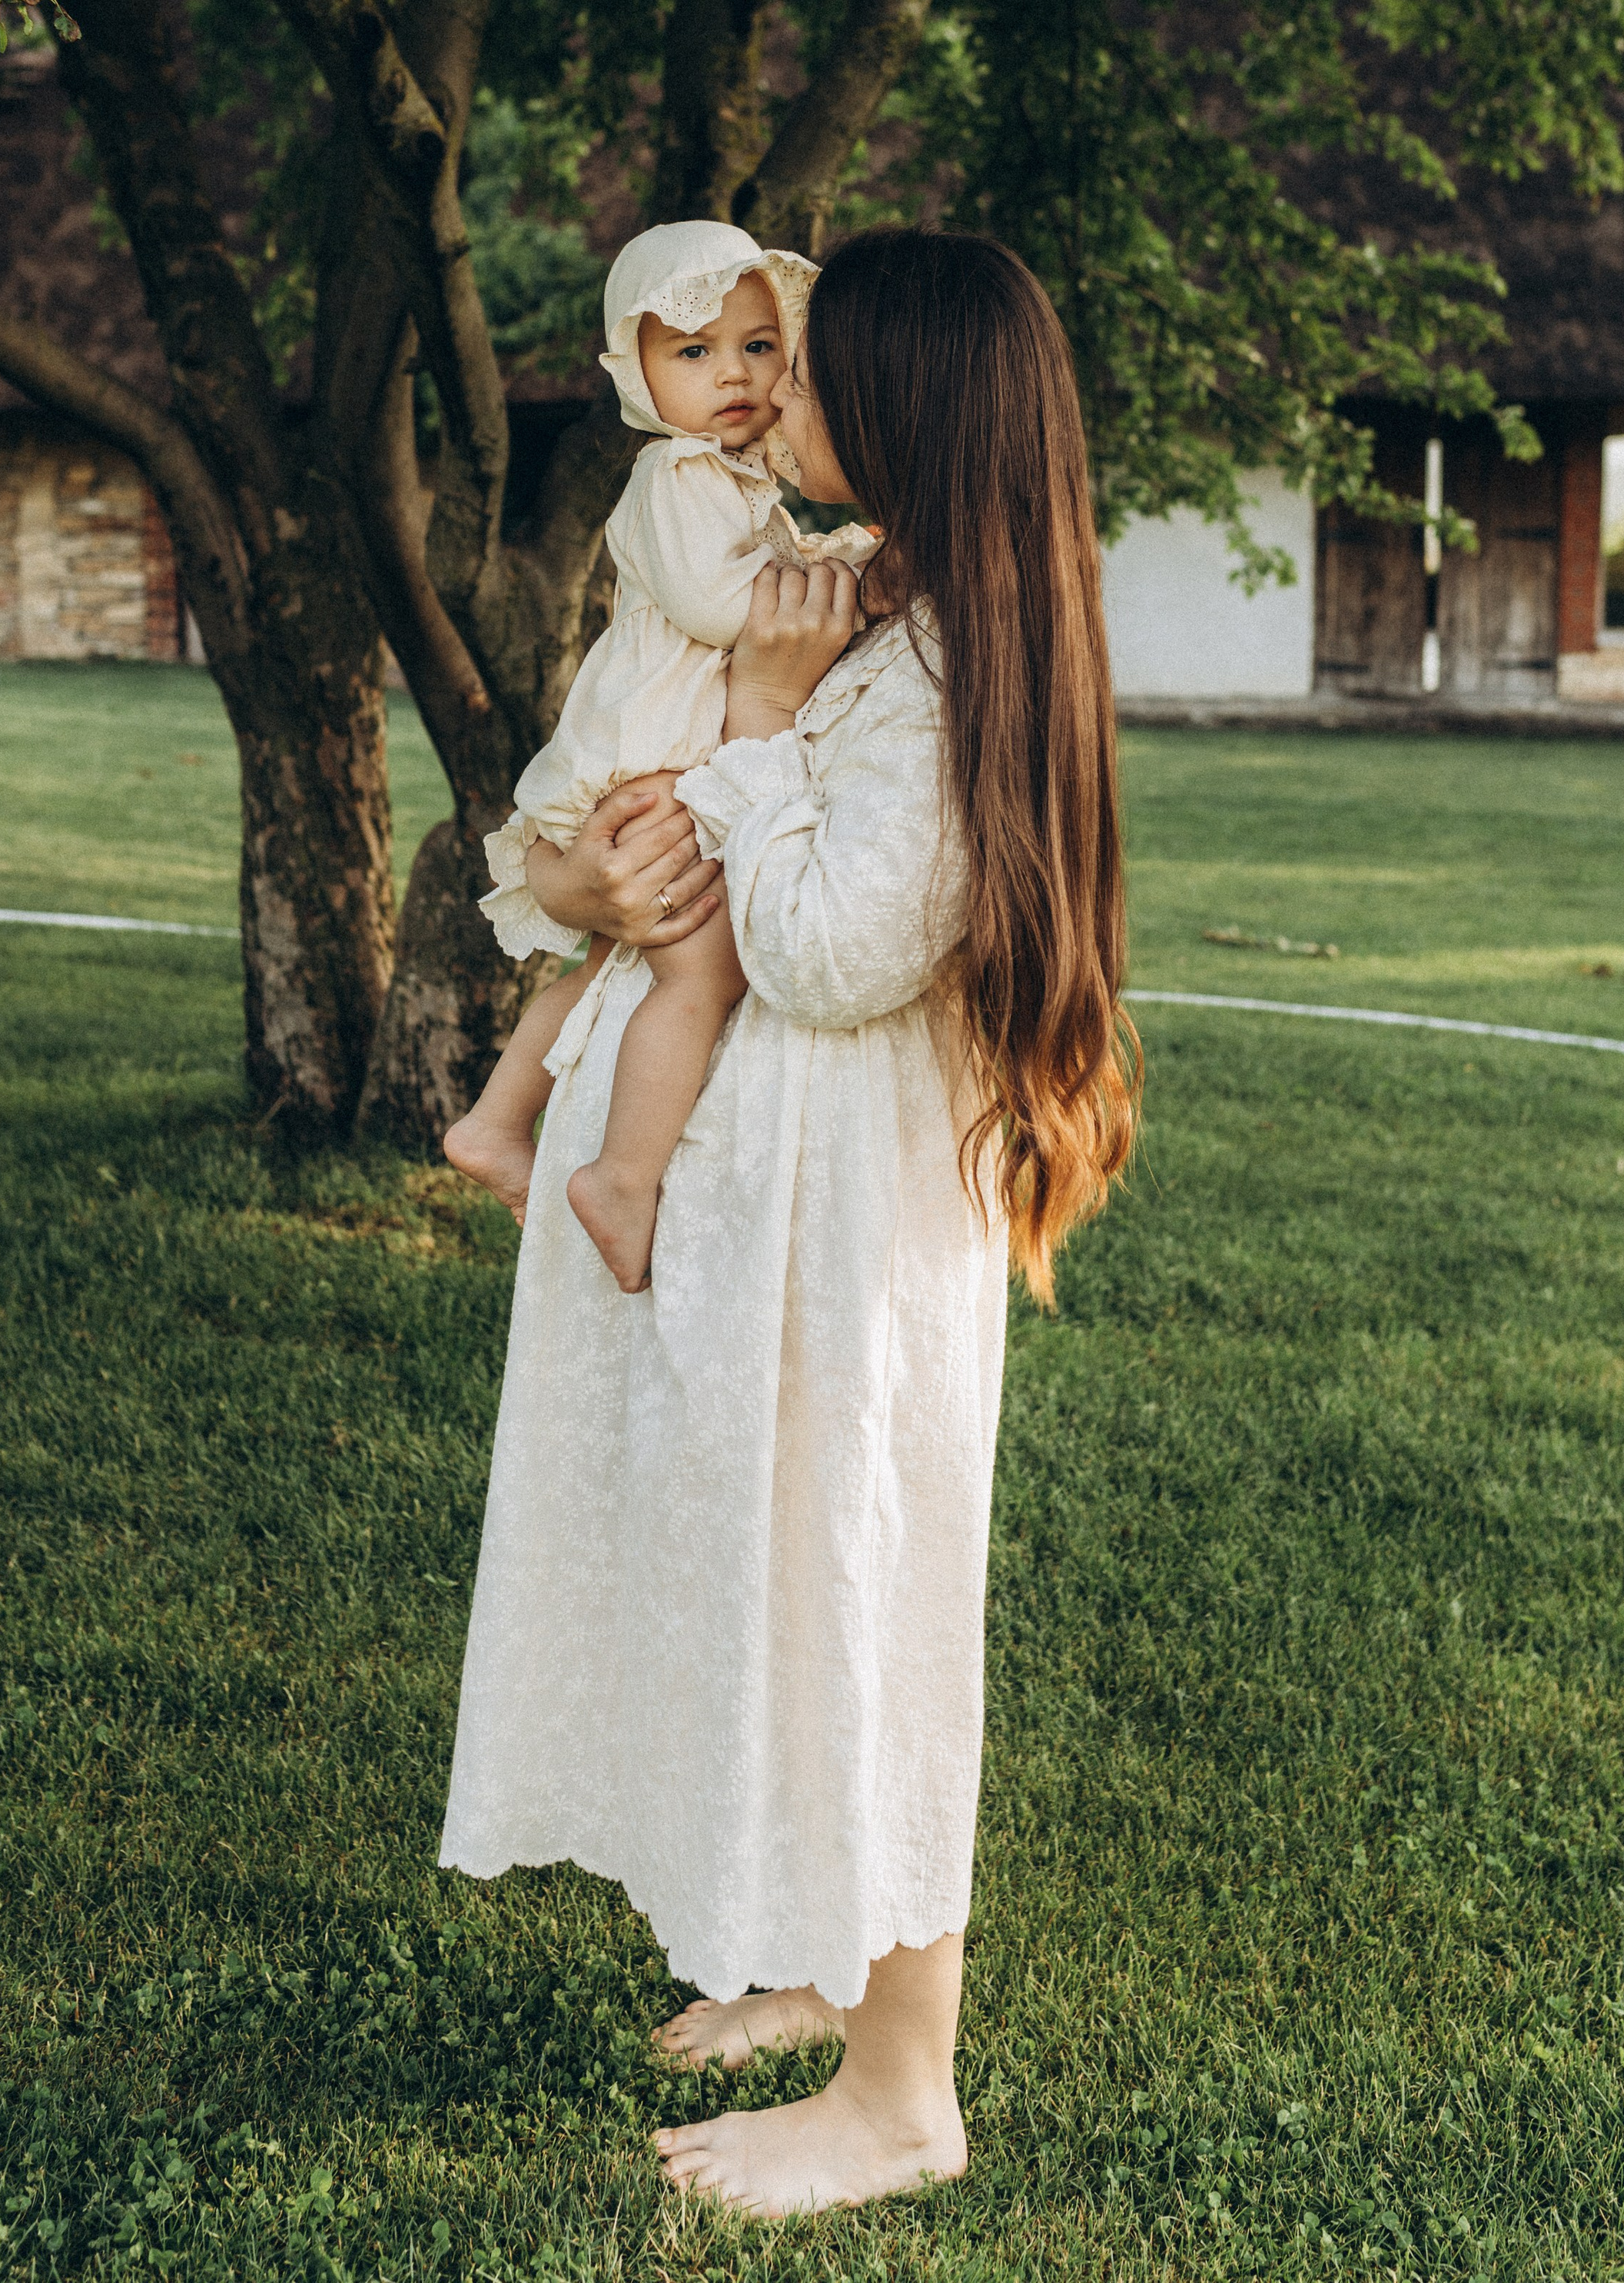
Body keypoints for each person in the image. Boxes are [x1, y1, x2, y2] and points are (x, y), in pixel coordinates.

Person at [440, 227, 1139, 2218]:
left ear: (903, 409)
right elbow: (626, 855)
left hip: (846, 1227)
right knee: (764, 1583)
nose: (774, 395)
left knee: (857, 1598)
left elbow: (830, 950)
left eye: (812, 370)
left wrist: (755, 721)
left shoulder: (938, 666)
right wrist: (594, 883)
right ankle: (809, 1961)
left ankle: (901, 2093)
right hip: (752, 1218)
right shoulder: (863, 603)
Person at [443, 219, 873, 1293]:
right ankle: (623, 1179)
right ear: (634, 373)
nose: (734, 374)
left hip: (660, 750)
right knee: (702, 969)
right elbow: (721, 608)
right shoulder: (675, 476)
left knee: (613, 969)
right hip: (656, 753)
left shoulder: (734, 479)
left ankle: (494, 1123)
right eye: (693, 352)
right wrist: (838, 588)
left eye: (760, 347)